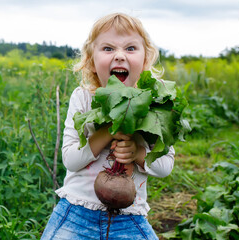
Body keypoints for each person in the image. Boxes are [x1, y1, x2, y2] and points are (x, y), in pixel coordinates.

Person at [41, 12, 175, 240]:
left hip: (129, 218)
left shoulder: (156, 103)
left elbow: (165, 166)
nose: (120, 56)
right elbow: (71, 160)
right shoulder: (83, 97)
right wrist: (108, 131)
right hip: (76, 215)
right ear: (92, 62)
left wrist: (138, 153)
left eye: (131, 48)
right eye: (108, 49)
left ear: (145, 60)